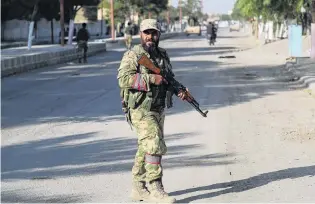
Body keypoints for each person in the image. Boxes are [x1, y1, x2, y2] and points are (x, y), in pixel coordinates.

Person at [117, 19, 190, 203]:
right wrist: (150, 79)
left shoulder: (162, 55)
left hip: (158, 108)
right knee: (154, 144)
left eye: (154, 33)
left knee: (146, 148)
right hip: (140, 109)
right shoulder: (133, 54)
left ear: (159, 35)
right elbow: (123, 79)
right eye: (146, 33)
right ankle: (156, 187)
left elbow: (168, 78)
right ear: (140, 34)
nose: (150, 37)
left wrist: (180, 90)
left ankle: (138, 188)